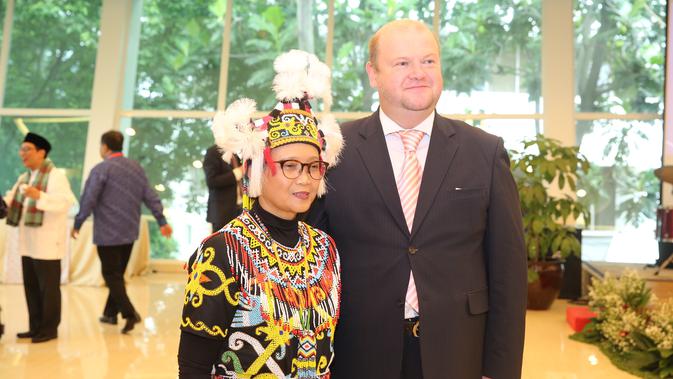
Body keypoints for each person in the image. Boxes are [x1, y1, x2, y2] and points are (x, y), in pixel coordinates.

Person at [309, 20, 527, 379]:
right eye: (402, 63)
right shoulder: (334, 151)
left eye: (428, 62)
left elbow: (508, 272)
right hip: (358, 352)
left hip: (459, 351)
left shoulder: (484, 152)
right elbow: (310, 260)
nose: (418, 74)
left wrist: (500, 368)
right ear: (373, 74)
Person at [177, 49, 343, 378]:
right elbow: (194, 366)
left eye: (313, 167)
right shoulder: (223, 250)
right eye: (290, 166)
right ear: (257, 171)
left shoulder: (326, 249)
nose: (305, 179)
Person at [72, 130, 173, 334]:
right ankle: (110, 313)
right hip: (129, 232)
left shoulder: (102, 169)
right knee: (117, 274)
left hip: (107, 233)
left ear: (105, 147)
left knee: (111, 275)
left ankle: (129, 313)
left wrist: (78, 222)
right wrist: (161, 220)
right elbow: (150, 196)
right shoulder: (136, 168)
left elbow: (89, 198)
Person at [5, 132, 76, 343]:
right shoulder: (25, 177)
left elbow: (65, 202)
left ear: (41, 152)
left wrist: (40, 196)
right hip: (28, 242)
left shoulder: (56, 176)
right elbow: (10, 199)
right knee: (32, 287)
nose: (22, 153)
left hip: (47, 244)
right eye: (21, 149)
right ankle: (35, 326)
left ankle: (49, 329)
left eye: (27, 149)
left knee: (49, 289)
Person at [203, 143, 243, 232]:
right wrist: (238, 172)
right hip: (222, 212)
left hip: (241, 208)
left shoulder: (236, 153)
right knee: (222, 244)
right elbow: (211, 181)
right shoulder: (213, 152)